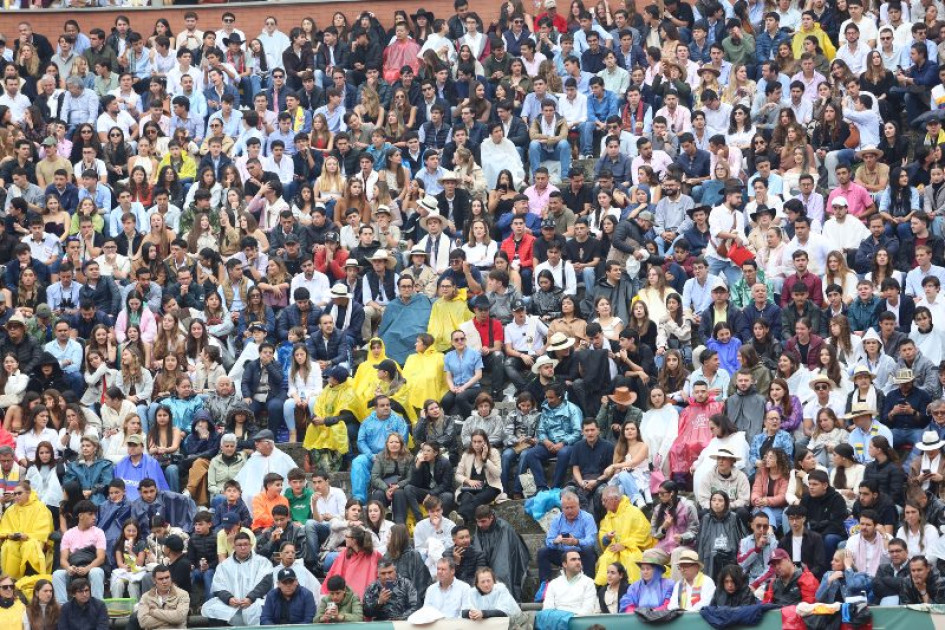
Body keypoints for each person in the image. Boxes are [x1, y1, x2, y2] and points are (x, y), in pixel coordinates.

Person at [201, 531, 273, 626]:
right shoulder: (224, 565)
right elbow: (218, 587)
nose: (243, 547)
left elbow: (266, 583)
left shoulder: (262, 562)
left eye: (245, 544)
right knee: (211, 609)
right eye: (239, 545)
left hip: (254, 602)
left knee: (261, 608)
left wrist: (250, 598)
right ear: (233, 547)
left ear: (251, 545)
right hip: (231, 604)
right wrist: (229, 598)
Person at [52, 499, 107, 604]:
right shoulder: (68, 534)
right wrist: (69, 568)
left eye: (94, 514)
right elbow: (63, 560)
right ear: (81, 516)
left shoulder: (98, 532)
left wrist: (87, 568)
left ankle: (97, 606)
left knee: (97, 572)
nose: (94, 517)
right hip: (74, 568)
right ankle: (63, 608)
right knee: (57, 574)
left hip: (91, 567)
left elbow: (101, 558)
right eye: (90, 514)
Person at [129, 565, 190, 630]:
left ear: (171, 578)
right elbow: (143, 622)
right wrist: (171, 620)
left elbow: (179, 617)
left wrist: (154, 612)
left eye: (167, 577)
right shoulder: (146, 597)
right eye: (161, 579)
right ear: (154, 580)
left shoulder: (183, 594)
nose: (164, 581)